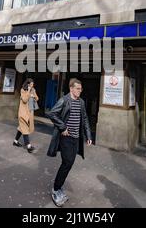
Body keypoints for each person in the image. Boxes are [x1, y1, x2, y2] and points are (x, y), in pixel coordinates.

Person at [47, 78, 92, 207]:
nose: (80, 91)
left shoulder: (81, 102)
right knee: (67, 162)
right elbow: (52, 114)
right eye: (78, 88)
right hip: (66, 137)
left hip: (76, 138)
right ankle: (56, 189)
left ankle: (59, 187)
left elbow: (84, 119)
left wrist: (88, 135)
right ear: (71, 88)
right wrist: (63, 127)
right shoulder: (64, 100)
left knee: (69, 163)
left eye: (81, 89)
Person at [13, 78, 39, 153]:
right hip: (23, 113)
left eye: (33, 84)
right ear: (28, 84)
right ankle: (28, 146)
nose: (32, 86)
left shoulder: (33, 90)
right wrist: (28, 92)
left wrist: (34, 96)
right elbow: (24, 100)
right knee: (25, 129)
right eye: (31, 84)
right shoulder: (23, 90)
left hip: (30, 113)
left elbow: (37, 98)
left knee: (21, 128)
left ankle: (15, 141)